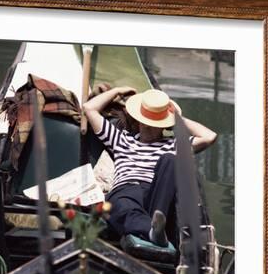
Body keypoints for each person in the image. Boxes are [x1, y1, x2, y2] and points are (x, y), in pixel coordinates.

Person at [83, 86, 217, 251]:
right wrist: (117, 91)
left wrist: (177, 117)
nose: (147, 127)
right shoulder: (121, 139)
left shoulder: (172, 144)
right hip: (126, 190)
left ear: (163, 126)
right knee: (122, 204)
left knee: (171, 160)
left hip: (155, 197)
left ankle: (155, 225)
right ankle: (152, 231)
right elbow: (89, 108)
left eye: (154, 124)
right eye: (145, 122)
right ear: (138, 120)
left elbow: (209, 137)